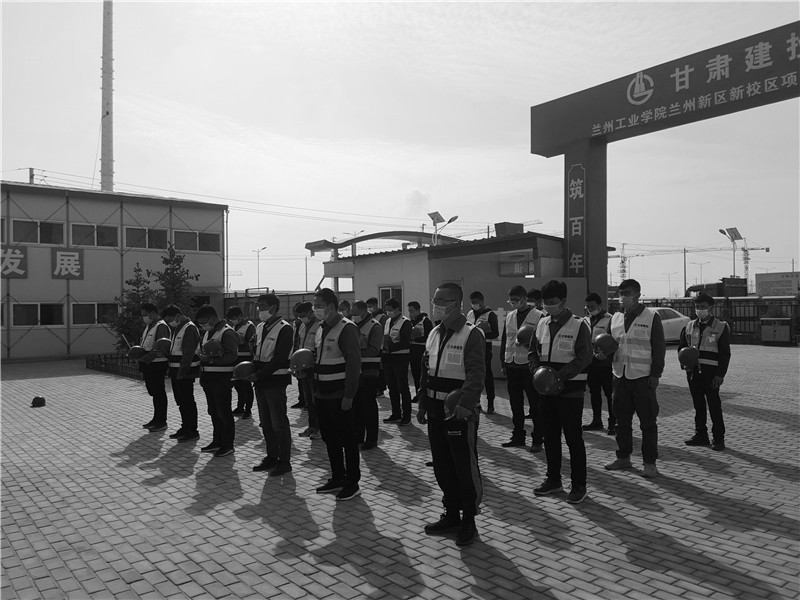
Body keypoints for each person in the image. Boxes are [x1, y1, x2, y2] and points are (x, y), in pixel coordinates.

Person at [417, 282, 485, 546]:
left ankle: (469, 519)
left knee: (464, 467)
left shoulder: (471, 334)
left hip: (458, 412)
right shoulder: (434, 332)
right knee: (442, 466)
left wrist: (465, 405)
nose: (436, 305)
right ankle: (452, 513)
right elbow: (425, 371)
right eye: (435, 300)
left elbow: (477, 375)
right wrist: (423, 404)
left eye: (441, 301)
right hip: (435, 411)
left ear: (456, 304)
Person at [528, 280, 593, 504]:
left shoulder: (579, 325)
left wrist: (558, 377)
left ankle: (579, 485)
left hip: (570, 393)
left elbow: (584, 358)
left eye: (553, 302)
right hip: (545, 393)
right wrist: (537, 371)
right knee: (551, 438)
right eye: (545, 302)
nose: (548, 306)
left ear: (563, 301)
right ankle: (553, 480)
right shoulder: (542, 323)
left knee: (574, 439)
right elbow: (532, 351)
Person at [603, 279, 666, 478]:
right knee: (621, 422)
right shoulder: (615, 318)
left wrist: (655, 374)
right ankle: (623, 457)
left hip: (642, 378)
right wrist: (602, 354)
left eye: (627, 293)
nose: (623, 297)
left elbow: (659, 348)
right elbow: (608, 344)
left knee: (648, 423)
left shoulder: (651, 317)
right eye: (621, 293)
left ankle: (650, 463)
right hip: (619, 376)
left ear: (638, 295)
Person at [312, 288, 363, 501]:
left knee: (347, 439)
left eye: (319, 306)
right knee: (329, 438)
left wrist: (349, 395)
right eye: (315, 306)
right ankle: (338, 477)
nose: (315, 309)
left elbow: (354, 364)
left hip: (340, 395)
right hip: (322, 394)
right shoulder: (321, 328)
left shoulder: (346, 328)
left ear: (331, 307)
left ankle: (352, 482)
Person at [248, 294, 294, 475]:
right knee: (266, 423)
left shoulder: (285, 329)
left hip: (275, 381)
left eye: (263, 306)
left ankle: (284, 461)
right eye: (258, 306)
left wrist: (259, 375)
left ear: (274, 308)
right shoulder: (260, 327)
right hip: (261, 382)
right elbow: (258, 354)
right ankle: (271, 456)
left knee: (279, 423)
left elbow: (280, 358)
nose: (259, 310)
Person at [678, 293, 731, 451]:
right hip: (693, 372)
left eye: (703, 307)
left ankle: (718, 439)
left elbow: (725, 354)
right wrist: (684, 364)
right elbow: (682, 347)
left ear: (710, 308)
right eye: (697, 307)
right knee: (698, 405)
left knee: (714, 406)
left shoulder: (720, 327)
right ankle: (701, 435)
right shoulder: (689, 326)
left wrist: (720, 375)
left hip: (711, 374)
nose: (699, 310)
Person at [500, 285, 543, 451]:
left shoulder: (538, 316)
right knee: (515, 404)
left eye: (516, 300)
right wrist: (503, 362)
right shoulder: (510, 316)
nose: (513, 303)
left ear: (525, 299)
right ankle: (518, 435)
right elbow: (506, 339)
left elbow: (542, 341)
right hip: (512, 364)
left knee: (535, 404)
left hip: (529, 366)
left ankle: (537, 439)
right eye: (511, 300)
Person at [196, 304, 239, 457]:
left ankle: (227, 444)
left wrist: (212, 360)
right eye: (201, 323)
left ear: (213, 318)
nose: (203, 326)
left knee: (224, 412)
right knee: (213, 411)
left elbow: (232, 356)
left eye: (204, 322)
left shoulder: (227, 332)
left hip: (222, 379)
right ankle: (217, 441)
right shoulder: (209, 332)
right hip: (209, 379)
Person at [162, 305, 201, 442]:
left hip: (185, 372)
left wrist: (182, 372)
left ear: (177, 315)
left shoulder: (189, 328)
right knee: (181, 402)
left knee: (187, 401)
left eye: (170, 320)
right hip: (176, 372)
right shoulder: (178, 328)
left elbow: (188, 354)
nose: (169, 323)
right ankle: (185, 427)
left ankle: (192, 430)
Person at [351, 300, 383, 450]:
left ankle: (371, 439)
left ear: (364, 312)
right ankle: (358, 435)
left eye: (355, 313)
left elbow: (374, 350)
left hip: (370, 371)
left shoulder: (375, 326)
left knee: (368, 406)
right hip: (356, 371)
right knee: (356, 405)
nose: (353, 316)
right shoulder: (353, 325)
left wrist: (354, 352)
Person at [583, 292, 616, 435]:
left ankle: (613, 422)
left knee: (609, 393)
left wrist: (607, 355)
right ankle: (597, 420)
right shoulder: (585, 320)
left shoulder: (610, 319)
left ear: (600, 305)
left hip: (605, 364)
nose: (590, 309)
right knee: (594, 392)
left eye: (592, 306)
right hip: (591, 363)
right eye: (588, 307)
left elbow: (613, 342)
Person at [137, 303, 171, 432]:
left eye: (145, 314)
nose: (144, 317)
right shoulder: (149, 326)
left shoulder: (160, 326)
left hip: (157, 363)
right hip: (148, 363)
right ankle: (156, 418)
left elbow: (161, 348)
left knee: (159, 393)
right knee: (153, 392)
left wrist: (147, 357)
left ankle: (161, 421)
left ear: (152, 313)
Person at [381, 297, 414, 425]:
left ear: (397, 309)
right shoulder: (388, 321)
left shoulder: (405, 322)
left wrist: (390, 346)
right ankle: (396, 414)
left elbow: (406, 342)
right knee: (392, 387)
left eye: (390, 309)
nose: (388, 312)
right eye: (386, 309)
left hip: (400, 358)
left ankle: (406, 416)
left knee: (403, 387)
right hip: (388, 358)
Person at [466, 291, 499, 414]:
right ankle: (476, 402)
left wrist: (482, 332)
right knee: (473, 377)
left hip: (485, 348)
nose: (474, 305)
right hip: (471, 348)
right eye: (472, 302)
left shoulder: (490, 315)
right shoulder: (470, 313)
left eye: (476, 302)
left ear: (482, 301)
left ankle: (490, 404)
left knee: (487, 377)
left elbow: (495, 334)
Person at [293, 303, 320, 440]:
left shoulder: (320, 325)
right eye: (299, 316)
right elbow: (299, 344)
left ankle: (319, 429)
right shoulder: (303, 326)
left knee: (317, 400)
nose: (301, 318)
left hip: (315, 367)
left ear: (310, 312)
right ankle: (311, 426)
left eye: (303, 315)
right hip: (304, 367)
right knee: (309, 400)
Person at [227, 306, 256, 419]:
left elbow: (251, 343)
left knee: (246, 385)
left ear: (240, 316)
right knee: (238, 385)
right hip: (236, 359)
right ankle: (240, 407)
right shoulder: (234, 326)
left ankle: (248, 409)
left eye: (234, 318)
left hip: (245, 359)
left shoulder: (249, 326)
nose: (233, 321)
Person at [407, 301, 433, 404]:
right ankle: (418, 394)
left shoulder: (425, 321)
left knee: (423, 375)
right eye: (409, 311)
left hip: (422, 351)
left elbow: (429, 337)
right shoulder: (410, 322)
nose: (410, 313)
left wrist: (417, 338)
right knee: (415, 374)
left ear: (418, 310)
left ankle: (425, 395)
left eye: (412, 311)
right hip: (413, 351)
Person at [366, 297, 388, 397]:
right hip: (371, 346)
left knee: (380, 369)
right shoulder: (369, 316)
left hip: (380, 347)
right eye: (368, 307)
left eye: (370, 306)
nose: (369, 308)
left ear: (375, 305)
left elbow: (384, 332)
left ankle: (381, 389)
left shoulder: (382, 317)